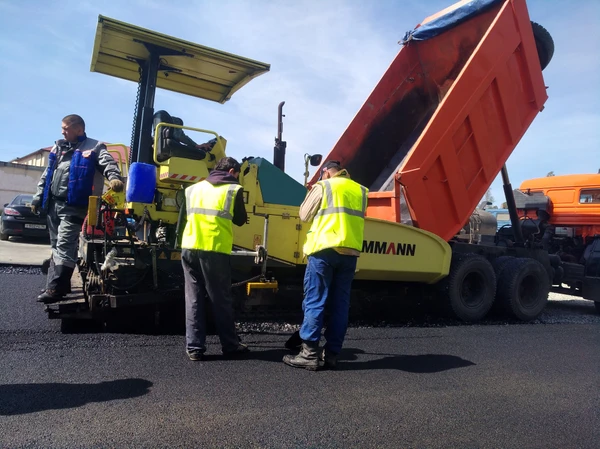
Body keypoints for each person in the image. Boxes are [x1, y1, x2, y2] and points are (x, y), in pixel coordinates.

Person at [283, 160, 368, 370]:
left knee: (315, 300)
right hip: (350, 253)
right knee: (340, 304)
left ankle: (309, 353)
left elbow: (304, 215)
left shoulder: (324, 186)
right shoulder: (361, 190)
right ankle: (331, 355)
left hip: (324, 251)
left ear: (326, 173)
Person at [32, 114, 124, 303]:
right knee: (56, 245)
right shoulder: (58, 148)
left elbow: (109, 163)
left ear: (79, 130)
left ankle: (55, 289)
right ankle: (60, 284)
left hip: (74, 205)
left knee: (65, 243)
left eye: (66, 128)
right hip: (53, 204)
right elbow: (47, 174)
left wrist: (114, 177)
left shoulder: (94, 147)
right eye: (62, 128)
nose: (62, 132)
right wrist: (37, 198)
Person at [178, 156, 250, 361]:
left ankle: (194, 348)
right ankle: (230, 345)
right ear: (232, 171)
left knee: (193, 297)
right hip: (214, 249)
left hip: (190, 246)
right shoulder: (232, 189)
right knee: (220, 299)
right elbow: (240, 219)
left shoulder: (193, 189)